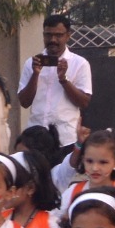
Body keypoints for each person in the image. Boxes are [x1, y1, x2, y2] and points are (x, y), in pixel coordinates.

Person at [18, 14, 93, 155]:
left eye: (58, 35)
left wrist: (63, 79)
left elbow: (84, 102)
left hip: (65, 139)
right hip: (36, 138)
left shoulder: (80, 64)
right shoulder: (31, 63)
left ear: (68, 36)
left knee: (61, 177)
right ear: (43, 35)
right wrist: (35, 74)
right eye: (48, 35)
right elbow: (24, 102)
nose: (53, 40)